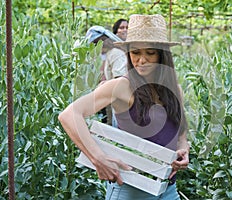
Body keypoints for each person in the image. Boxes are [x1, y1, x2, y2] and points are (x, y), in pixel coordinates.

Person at [58, 14, 189, 200]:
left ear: (162, 55)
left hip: (168, 189)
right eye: (135, 53)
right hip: (131, 189)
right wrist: (98, 158)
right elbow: (69, 115)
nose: (141, 60)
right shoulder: (122, 86)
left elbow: (181, 133)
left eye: (150, 53)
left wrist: (183, 150)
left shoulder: (175, 90)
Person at [86, 26, 127, 125]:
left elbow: (120, 79)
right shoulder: (109, 54)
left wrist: (104, 84)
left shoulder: (116, 54)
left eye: (95, 44)